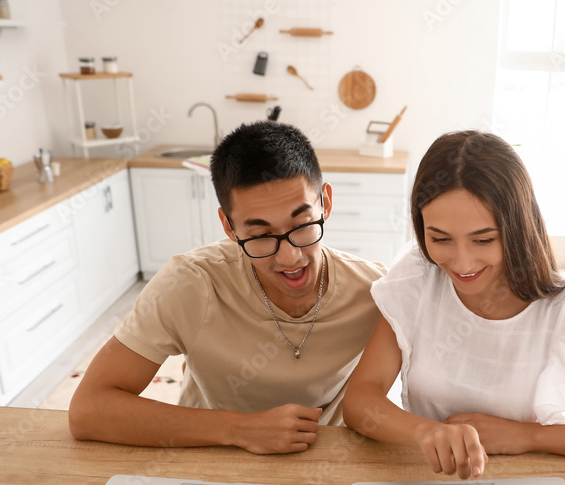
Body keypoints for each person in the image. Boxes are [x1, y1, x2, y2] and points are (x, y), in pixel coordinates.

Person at [343, 130, 565, 480]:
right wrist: (426, 433)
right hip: (423, 482)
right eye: (440, 239)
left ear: (518, 227)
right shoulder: (419, 278)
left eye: (484, 239)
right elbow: (359, 401)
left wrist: (528, 437)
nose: (461, 264)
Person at [69, 121, 385, 452]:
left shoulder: (375, 290)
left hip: (323, 463)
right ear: (229, 227)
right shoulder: (190, 284)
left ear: (326, 203)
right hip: (208, 458)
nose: (290, 256)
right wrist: (241, 430)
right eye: (262, 235)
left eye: (303, 225)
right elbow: (87, 410)